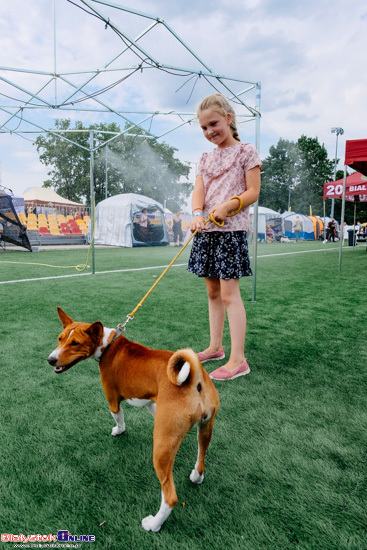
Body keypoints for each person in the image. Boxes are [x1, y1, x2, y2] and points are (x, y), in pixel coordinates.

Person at [187, 93, 261, 381]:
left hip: (230, 232)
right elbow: (199, 191)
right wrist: (196, 213)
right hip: (206, 232)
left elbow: (253, 192)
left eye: (213, 124)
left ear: (228, 119)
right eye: (204, 128)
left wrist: (230, 205)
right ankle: (216, 347)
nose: (209, 132)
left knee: (230, 295)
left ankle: (238, 359)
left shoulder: (246, 151)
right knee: (212, 292)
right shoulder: (205, 158)